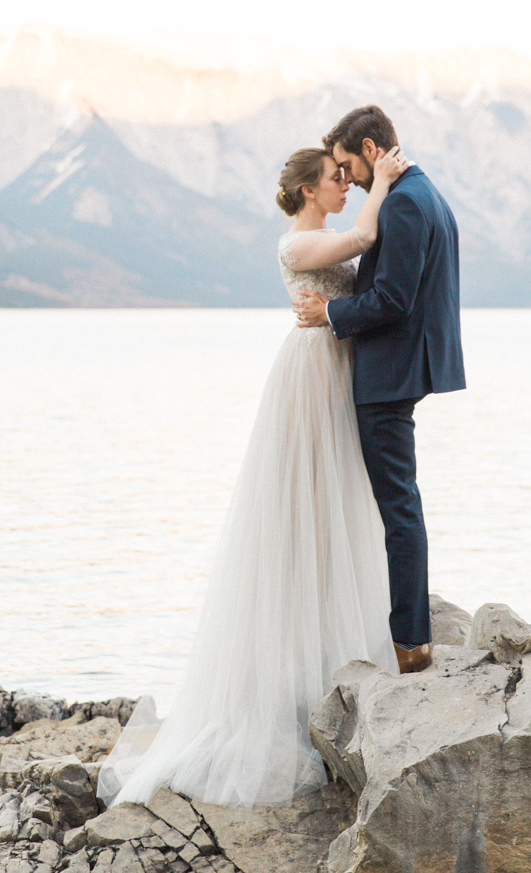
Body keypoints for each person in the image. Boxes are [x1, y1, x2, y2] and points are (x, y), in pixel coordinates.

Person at [95, 143, 410, 810]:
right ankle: (291, 687)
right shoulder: (298, 246)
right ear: (304, 191)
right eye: (335, 179)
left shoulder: (320, 237)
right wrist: (383, 179)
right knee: (303, 513)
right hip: (310, 376)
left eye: (349, 178)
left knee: (338, 512)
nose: (345, 185)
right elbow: (363, 235)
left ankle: (334, 660)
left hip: (337, 369)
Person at [293, 104, 465, 675]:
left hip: (388, 372)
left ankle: (411, 643)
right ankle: (397, 630)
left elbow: (393, 297)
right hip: (392, 367)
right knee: (397, 503)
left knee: (397, 507)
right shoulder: (419, 192)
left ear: (370, 150)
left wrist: (330, 313)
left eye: (347, 165)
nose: (346, 179)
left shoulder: (409, 202)